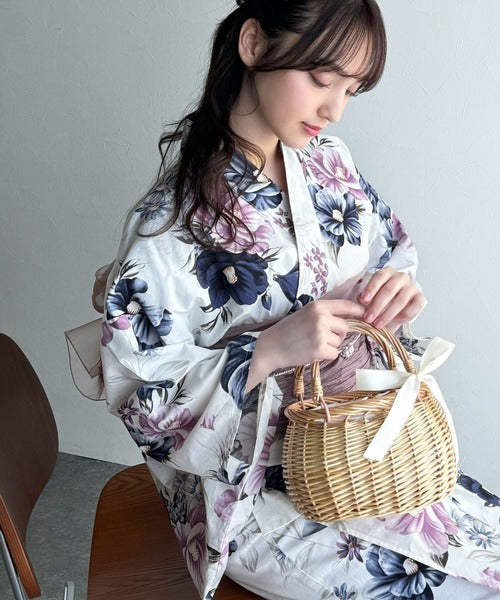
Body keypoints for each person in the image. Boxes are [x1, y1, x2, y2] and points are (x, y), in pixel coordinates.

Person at [80, 1, 500, 598]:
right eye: (322, 79)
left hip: (362, 453)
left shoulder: (328, 162)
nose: (334, 109)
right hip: (257, 500)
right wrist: (268, 350)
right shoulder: (171, 223)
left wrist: (393, 288)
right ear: (254, 44)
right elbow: (142, 400)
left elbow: (388, 250)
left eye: (351, 89)